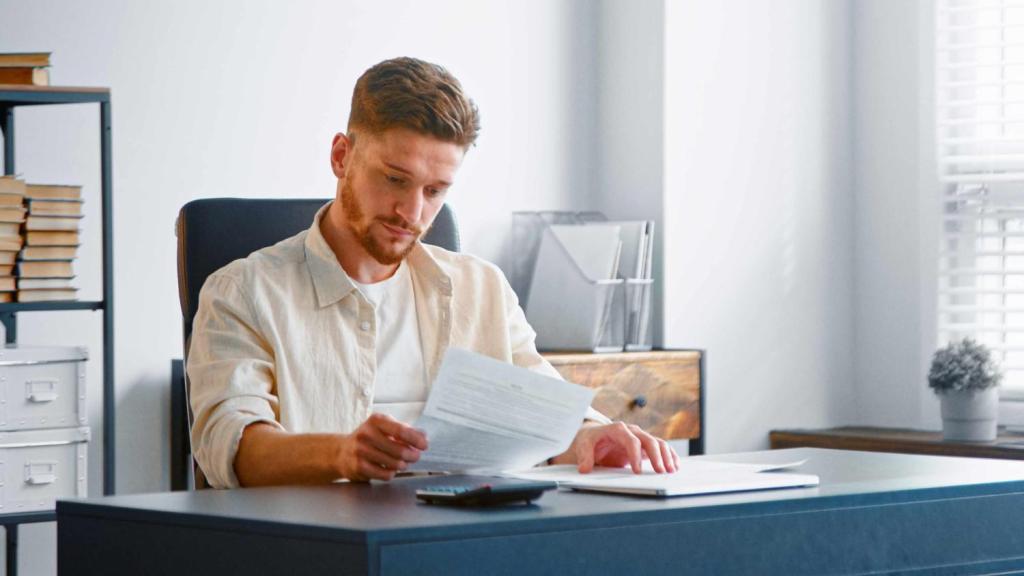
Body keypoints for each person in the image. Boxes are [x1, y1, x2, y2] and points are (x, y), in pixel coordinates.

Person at [187, 57, 680, 489]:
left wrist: (589, 434)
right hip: (323, 548)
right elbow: (228, 447)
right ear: (342, 157)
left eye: (435, 190)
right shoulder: (243, 291)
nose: (412, 212)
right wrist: (339, 455)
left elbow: (541, 408)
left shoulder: (480, 288)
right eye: (395, 179)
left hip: (458, 545)